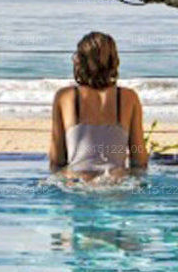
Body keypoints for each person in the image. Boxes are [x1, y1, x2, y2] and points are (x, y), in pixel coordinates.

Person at [48, 31, 148, 181]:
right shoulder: (129, 97)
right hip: (115, 182)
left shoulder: (65, 97)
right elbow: (139, 158)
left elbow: (57, 159)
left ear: (79, 61)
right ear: (114, 61)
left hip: (78, 181)